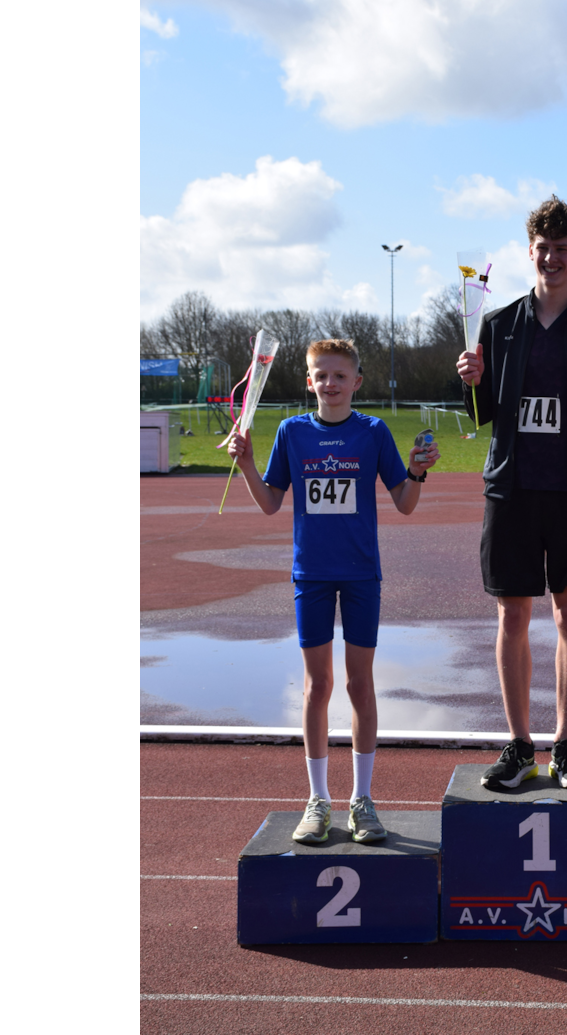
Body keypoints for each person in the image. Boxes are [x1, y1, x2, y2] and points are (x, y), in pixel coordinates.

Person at [227, 338, 440, 844]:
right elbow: (270, 503)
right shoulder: (292, 432)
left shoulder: (373, 431)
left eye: (340, 376)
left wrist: (417, 471)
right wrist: (248, 463)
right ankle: (318, 799)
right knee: (316, 686)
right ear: (309, 381)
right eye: (321, 375)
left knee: (359, 685)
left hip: (362, 574)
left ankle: (362, 800)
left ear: (356, 382)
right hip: (312, 575)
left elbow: (405, 502)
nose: (330, 383)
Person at [455, 196, 567, 791]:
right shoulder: (498, 324)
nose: (551, 258)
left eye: (562, 248)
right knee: (512, 615)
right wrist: (471, 382)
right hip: (511, 488)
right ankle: (518, 745)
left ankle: (565, 745)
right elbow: (479, 415)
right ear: (528, 252)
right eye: (542, 248)